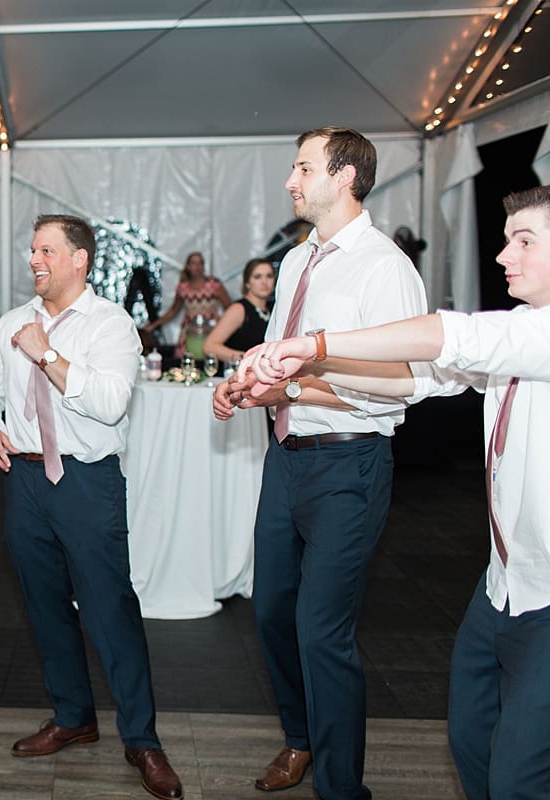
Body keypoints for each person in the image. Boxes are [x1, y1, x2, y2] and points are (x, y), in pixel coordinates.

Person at [234, 185, 550, 800]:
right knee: (470, 739)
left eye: (524, 241)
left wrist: (315, 347)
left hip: (545, 597)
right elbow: (419, 376)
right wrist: (294, 383)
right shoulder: (519, 327)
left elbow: (452, 338)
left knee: (518, 777)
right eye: (507, 239)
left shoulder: (533, 336)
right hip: (503, 587)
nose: (503, 256)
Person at [211, 127, 427, 799]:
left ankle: (341, 787)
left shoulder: (383, 265)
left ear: (345, 177)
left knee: (321, 632)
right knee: (272, 611)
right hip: (286, 459)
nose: (290, 180)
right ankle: (301, 738)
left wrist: (297, 386)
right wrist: (247, 382)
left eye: (303, 167)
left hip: (349, 466)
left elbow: (406, 379)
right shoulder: (301, 260)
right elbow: (284, 352)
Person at [0, 214, 182, 800]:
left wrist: (47, 355)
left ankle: (143, 739)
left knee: (110, 610)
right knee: (44, 605)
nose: (35, 260)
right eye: (32, 250)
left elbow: (108, 404)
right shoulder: (10, 322)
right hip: (25, 482)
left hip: (86, 481)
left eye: (47, 251)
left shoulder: (111, 325)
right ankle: (74, 716)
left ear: (79, 259)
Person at [140, 251, 230, 357]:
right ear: (188, 266)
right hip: (189, 332)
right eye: (193, 263)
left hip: (210, 330)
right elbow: (173, 310)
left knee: (211, 357)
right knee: (186, 359)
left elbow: (229, 307)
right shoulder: (183, 288)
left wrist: (223, 325)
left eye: (200, 263)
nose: (197, 267)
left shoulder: (214, 285)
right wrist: (153, 326)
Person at [203, 258, 275, 364]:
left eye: (269, 276)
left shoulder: (271, 309)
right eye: (257, 277)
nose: (264, 282)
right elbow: (209, 347)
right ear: (247, 283)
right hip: (238, 374)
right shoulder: (239, 309)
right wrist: (248, 358)